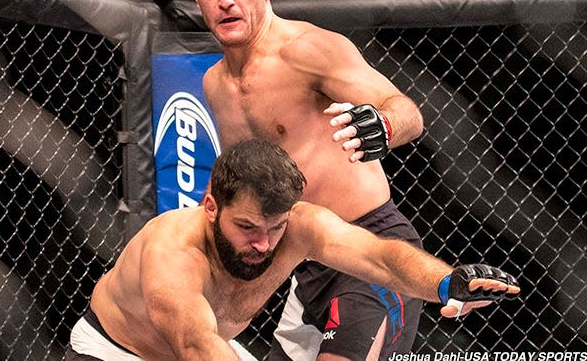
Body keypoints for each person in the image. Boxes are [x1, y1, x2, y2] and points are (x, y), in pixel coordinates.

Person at [65, 139, 519, 360]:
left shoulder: (299, 226)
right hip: (115, 352)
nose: (263, 244)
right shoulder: (172, 255)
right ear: (210, 206)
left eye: (275, 227)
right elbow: (195, 343)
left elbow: (379, 256)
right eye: (246, 226)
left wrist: (444, 281)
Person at [191, 0, 426, 359]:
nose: (225, 0)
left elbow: (408, 111)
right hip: (303, 262)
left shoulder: (308, 50)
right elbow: (240, 183)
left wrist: (384, 125)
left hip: (369, 246)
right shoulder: (214, 83)